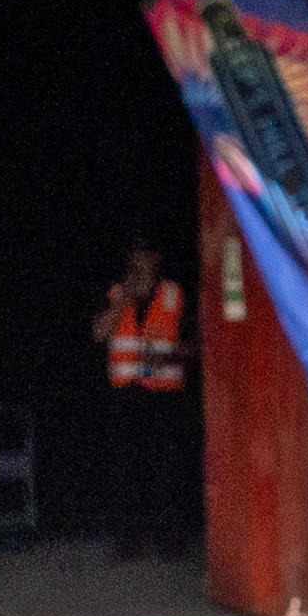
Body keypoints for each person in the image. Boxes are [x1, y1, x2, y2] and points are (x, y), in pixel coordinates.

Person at [90, 237, 193, 558]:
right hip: (126, 393)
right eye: (136, 254)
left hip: (164, 395)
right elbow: (98, 333)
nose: (141, 261)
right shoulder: (115, 292)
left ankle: (169, 541)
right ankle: (127, 542)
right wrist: (124, 301)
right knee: (126, 470)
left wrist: (175, 356)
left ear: (157, 258)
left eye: (147, 254)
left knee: (167, 470)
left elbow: (199, 341)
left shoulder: (175, 293)